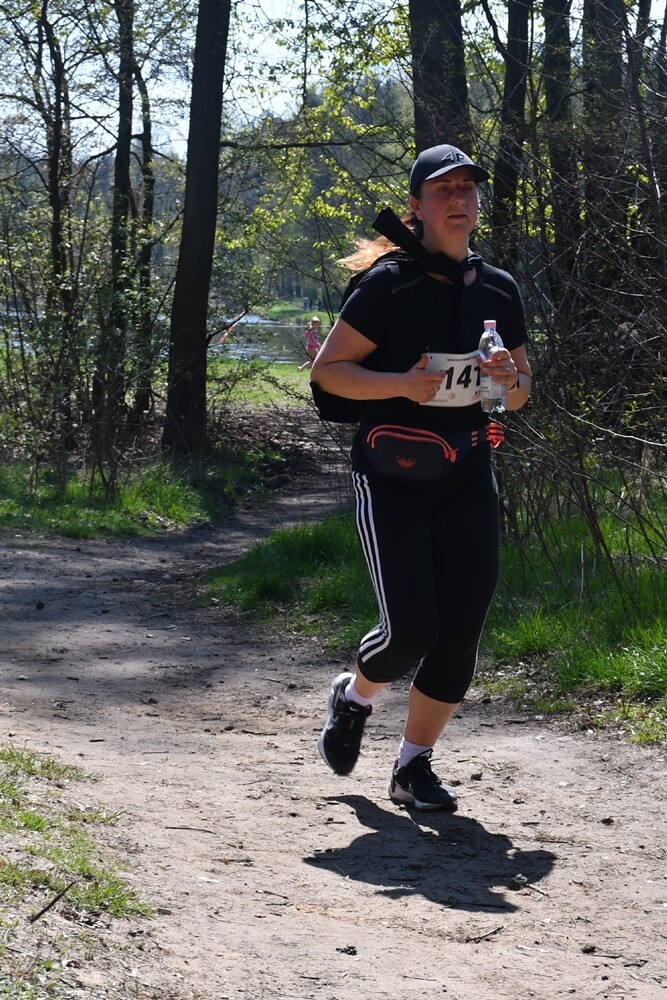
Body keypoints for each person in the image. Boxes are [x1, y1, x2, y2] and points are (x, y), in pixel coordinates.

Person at [311, 143, 532, 811]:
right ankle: (353, 697)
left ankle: (413, 767)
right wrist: (402, 384)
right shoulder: (388, 287)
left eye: (468, 189)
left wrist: (504, 381)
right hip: (391, 475)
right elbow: (329, 373)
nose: (459, 200)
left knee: (459, 630)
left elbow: (519, 394)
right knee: (410, 632)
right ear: (416, 207)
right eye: (444, 190)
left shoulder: (497, 289)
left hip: (466, 471)